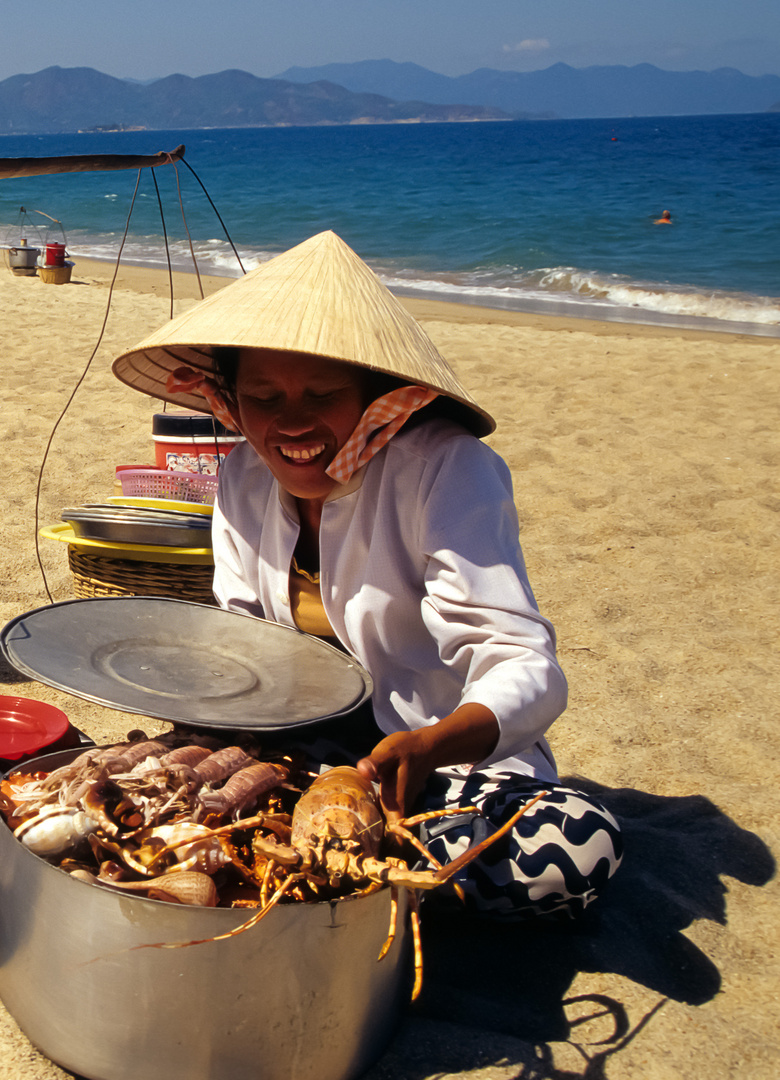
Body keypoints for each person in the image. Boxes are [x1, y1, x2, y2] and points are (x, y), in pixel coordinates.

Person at [112, 230, 621, 919]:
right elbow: (243, 644)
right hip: (294, 746)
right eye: (264, 397)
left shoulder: (445, 470)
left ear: (376, 395)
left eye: (322, 393)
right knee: (144, 797)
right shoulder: (243, 475)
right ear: (231, 399)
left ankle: (345, 878)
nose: (292, 423)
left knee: (572, 846)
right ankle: (344, 879)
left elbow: (525, 667)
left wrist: (430, 746)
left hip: (428, 763)